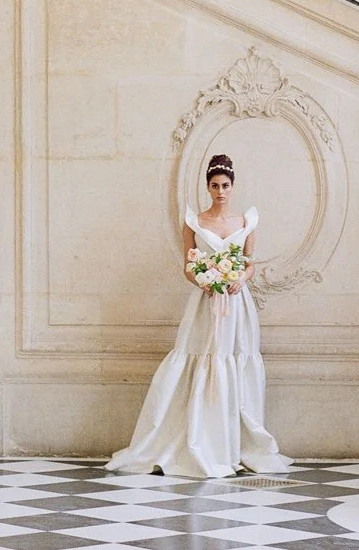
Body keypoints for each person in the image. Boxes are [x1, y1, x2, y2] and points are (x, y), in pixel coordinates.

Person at [107, 152, 292, 478]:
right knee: (203, 359)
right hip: (206, 303)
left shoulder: (245, 222)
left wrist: (238, 280)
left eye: (225, 185)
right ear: (207, 187)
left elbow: (250, 264)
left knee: (233, 360)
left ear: (233, 187)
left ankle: (234, 445)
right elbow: (188, 266)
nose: (220, 191)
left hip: (236, 305)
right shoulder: (194, 222)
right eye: (214, 185)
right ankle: (198, 441)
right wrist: (205, 280)